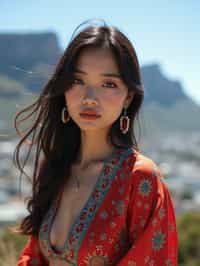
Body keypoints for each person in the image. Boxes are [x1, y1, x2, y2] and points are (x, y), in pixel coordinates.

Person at [14, 19, 178, 266]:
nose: (89, 98)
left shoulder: (140, 179)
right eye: (78, 81)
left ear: (128, 97)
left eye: (108, 84)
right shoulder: (56, 167)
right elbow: (33, 255)